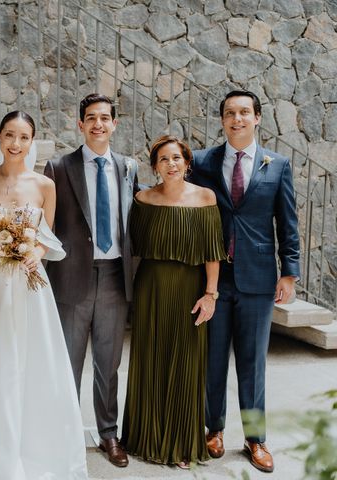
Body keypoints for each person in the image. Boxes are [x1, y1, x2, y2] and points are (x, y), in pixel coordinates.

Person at [0, 111, 88, 479]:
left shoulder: (44, 185)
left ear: (32, 140)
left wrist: (29, 253)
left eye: (23, 137)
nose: (15, 144)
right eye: (10, 135)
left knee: (24, 359)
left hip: (26, 282)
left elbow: (48, 238)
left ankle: (26, 448)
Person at [190, 90, 300, 473]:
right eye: (229, 113)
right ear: (222, 120)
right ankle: (213, 429)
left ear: (257, 118)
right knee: (213, 358)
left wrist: (289, 272)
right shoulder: (203, 162)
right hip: (214, 277)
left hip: (257, 280)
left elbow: (287, 223)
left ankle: (255, 439)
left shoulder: (278, 165)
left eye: (244, 112)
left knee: (253, 364)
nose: (236, 119)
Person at [43, 93, 138, 467]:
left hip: (116, 275)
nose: (98, 124)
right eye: (91, 118)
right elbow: (46, 225)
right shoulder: (58, 167)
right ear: (80, 124)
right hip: (71, 276)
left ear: (115, 124)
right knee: (68, 362)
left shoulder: (128, 167)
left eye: (105, 117)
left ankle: (108, 433)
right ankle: (62, 432)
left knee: (109, 362)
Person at [120, 135, 226, 469]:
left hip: (190, 291)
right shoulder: (143, 199)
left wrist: (211, 295)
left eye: (177, 158)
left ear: (187, 162)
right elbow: (132, 250)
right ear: (155, 166)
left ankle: (180, 444)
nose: (171, 164)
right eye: (164, 159)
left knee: (186, 362)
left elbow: (213, 252)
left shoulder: (205, 198)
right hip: (151, 288)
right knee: (150, 359)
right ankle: (144, 438)